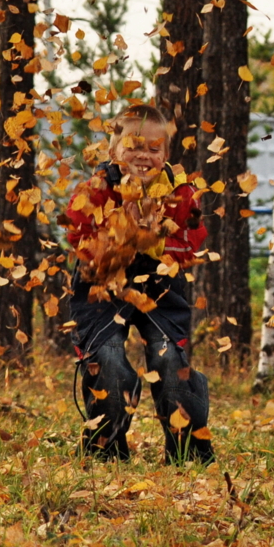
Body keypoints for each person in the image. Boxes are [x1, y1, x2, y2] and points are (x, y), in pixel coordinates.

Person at [63, 103, 214, 465]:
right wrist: (120, 239)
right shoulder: (96, 188)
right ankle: (107, 449)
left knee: (169, 359)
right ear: (114, 150)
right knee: (109, 360)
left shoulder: (181, 193)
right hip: (102, 285)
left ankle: (188, 452)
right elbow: (77, 234)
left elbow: (193, 240)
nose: (143, 155)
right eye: (133, 146)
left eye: (153, 148)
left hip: (159, 285)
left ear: (165, 153)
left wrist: (156, 237)